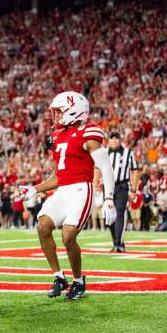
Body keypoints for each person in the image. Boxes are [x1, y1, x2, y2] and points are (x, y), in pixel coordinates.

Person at [20, 91, 116, 301]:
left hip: (82, 189)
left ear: (74, 110)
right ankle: (58, 277)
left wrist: (109, 199)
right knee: (43, 225)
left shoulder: (88, 132)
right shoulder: (57, 135)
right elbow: (59, 176)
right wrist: (35, 188)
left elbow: (106, 168)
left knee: (68, 236)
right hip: (64, 190)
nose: (55, 116)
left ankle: (79, 281)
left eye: (58, 111)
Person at [107, 132, 139, 252]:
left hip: (122, 186)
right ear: (108, 140)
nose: (114, 141)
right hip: (108, 186)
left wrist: (134, 189)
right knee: (109, 215)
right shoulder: (105, 153)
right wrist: (95, 183)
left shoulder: (128, 153)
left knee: (120, 212)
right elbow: (96, 168)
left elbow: (135, 170)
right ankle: (116, 242)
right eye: (112, 138)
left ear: (120, 140)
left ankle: (119, 244)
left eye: (116, 138)